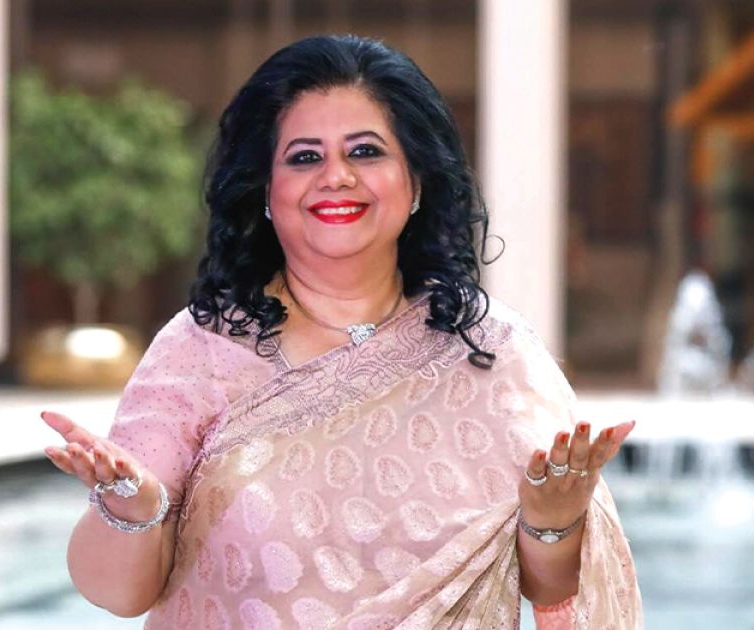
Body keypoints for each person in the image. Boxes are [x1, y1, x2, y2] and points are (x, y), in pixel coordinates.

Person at [42, 34, 642, 629]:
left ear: (416, 183)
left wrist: (553, 522)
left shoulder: (488, 351)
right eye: (305, 157)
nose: (337, 176)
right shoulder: (203, 349)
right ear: (266, 192)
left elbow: (551, 587)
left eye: (365, 152)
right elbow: (116, 594)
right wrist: (134, 512)